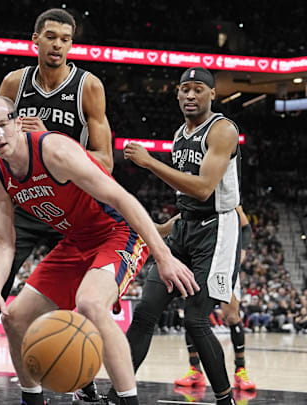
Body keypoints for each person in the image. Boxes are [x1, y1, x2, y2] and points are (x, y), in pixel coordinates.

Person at [0, 8, 114, 405]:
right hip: (27, 202)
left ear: (71, 44)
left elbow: (107, 162)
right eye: (51, 36)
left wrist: (53, 141)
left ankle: (83, 380)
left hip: (69, 204)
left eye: (65, 38)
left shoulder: (88, 87)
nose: (58, 44)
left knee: (80, 296)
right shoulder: (15, 82)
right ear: (36, 40)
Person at [0, 95, 198, 405]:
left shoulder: (54, 150)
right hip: (76, 242)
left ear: (16, 122)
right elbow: (2, 241)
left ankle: (127, 400)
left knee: (91, 304)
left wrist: (164, 256)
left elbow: (122, 198)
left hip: (118, 232)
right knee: (14, 318)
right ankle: (32, 400)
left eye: (3, 125)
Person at [123, 67, 241, 405]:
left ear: (212, 94)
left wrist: (149, 162)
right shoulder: (179, 134)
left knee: (195, 319)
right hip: (185, 228)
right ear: (176, 94)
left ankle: (224, 399)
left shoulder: (222, 130)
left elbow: (204, 190)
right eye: (185, 89)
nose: (190, 95)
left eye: (198, 89)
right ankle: (123, 394)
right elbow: (189, 203)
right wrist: (161, 229)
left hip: (217, 232)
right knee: (146, 311)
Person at [173, 205, 256, 391]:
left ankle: (240, 371)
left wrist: (240, 252)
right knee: (191, 315)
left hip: (224, 262)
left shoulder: (226, 198)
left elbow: (246, 228)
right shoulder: (191, 198)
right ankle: (195, 370)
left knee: (232, 317)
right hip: (200, 260)